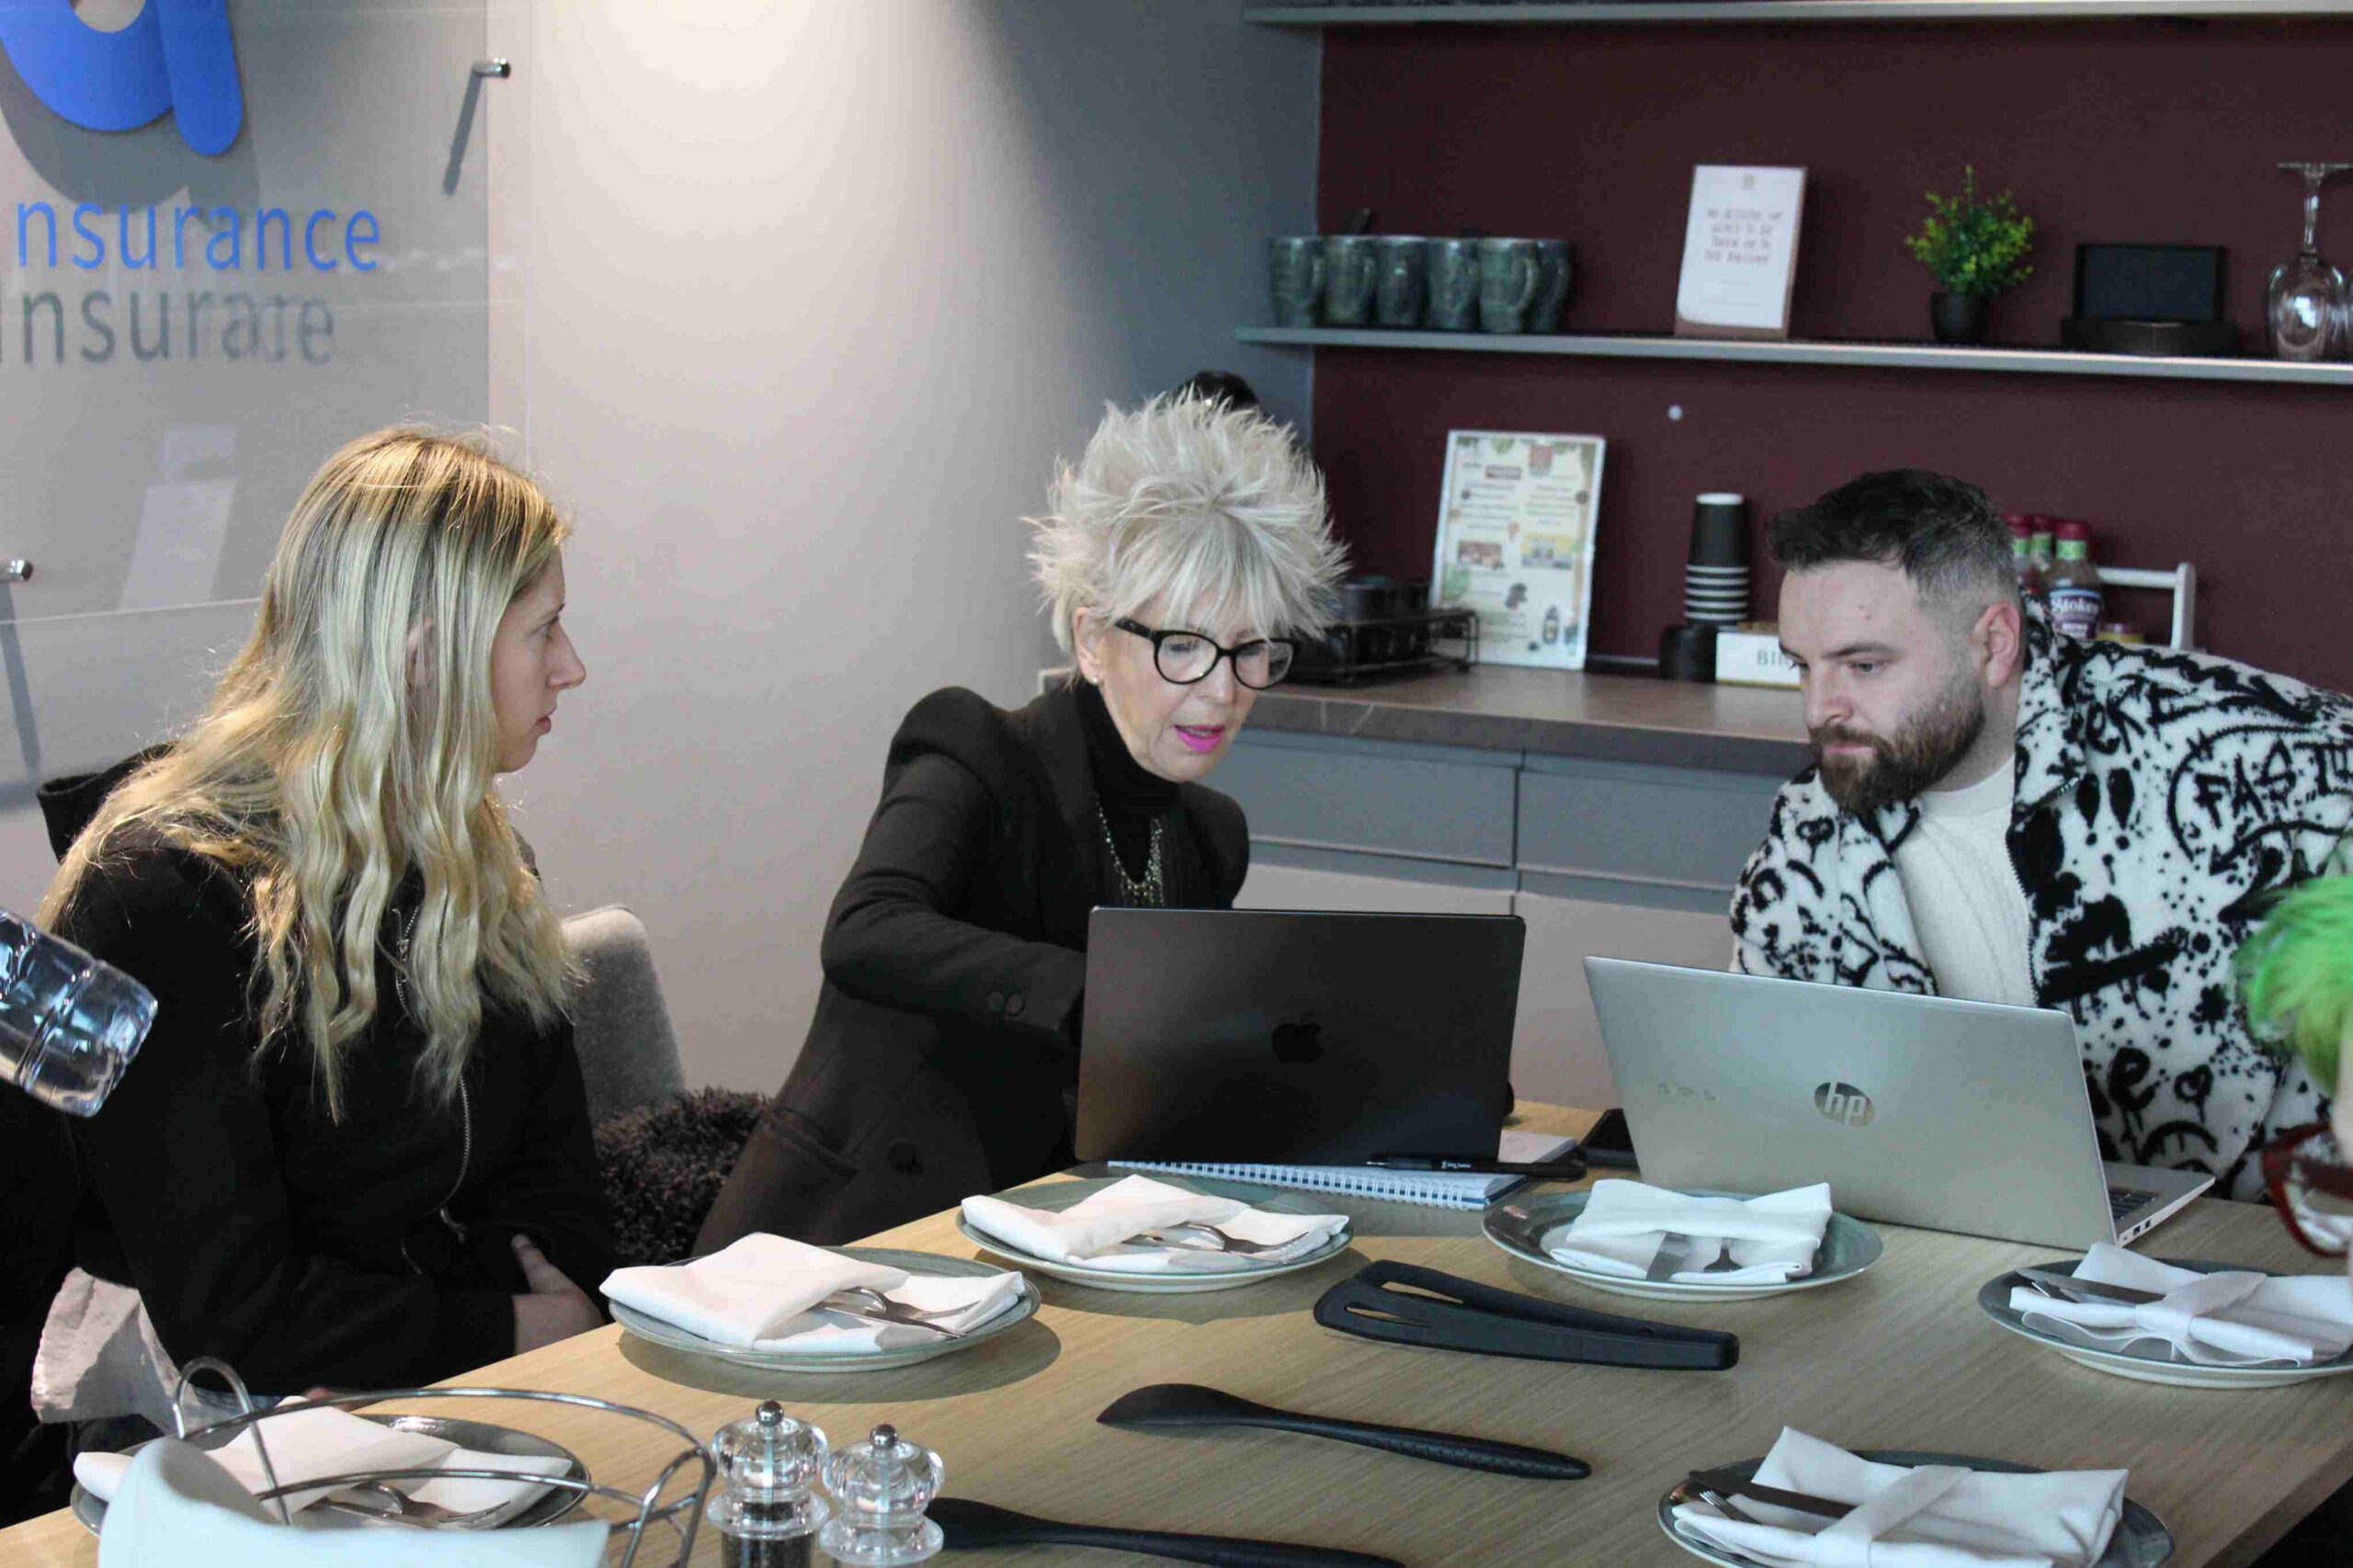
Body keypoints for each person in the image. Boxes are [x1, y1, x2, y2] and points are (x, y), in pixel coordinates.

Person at [28, 428, 612, 1433]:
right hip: (186, 1443)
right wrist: (505, 1327)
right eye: (542, 630)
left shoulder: (477, 856)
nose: (573, 667)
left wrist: (503, 1321)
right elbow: (236, 1314)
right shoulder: (153, 900)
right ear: (422, 656)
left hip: (433, 1400)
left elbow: (557, 1187)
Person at [699, 392, 1347, 1247]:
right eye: (1182, 646)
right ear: (1091, 640)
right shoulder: (977, 751)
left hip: (1050, 1236)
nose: (1223, 690)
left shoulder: (1210, 836)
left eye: (1252, 649)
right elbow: (865, 931)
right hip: (849, 1241)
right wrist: (1095, 994)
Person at [1730, 469, 2353, 1199]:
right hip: (1966, 1234)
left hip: (2265, 1238)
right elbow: (1768, 1097)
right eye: (1803, 667)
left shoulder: (2222, 742)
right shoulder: (1812, 827)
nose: (1821, 708)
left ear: (1995, 643)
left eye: (1865, 665)